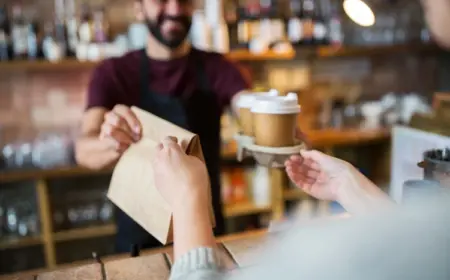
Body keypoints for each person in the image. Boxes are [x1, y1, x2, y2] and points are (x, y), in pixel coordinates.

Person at [74, 0, 252, 253]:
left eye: (184, 1)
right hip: (136, 243)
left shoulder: (218, 68)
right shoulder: (112, 73)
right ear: (138, 7)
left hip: (203, 236)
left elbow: (247, 108)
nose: (174, 9)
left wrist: (272, 125)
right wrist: (113, 140)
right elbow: (83, 150)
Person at [152, 137, 450, 280]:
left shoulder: (316, 252)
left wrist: (186, 195)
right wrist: (345, 184)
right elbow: (423, 248)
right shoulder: (434, 238)